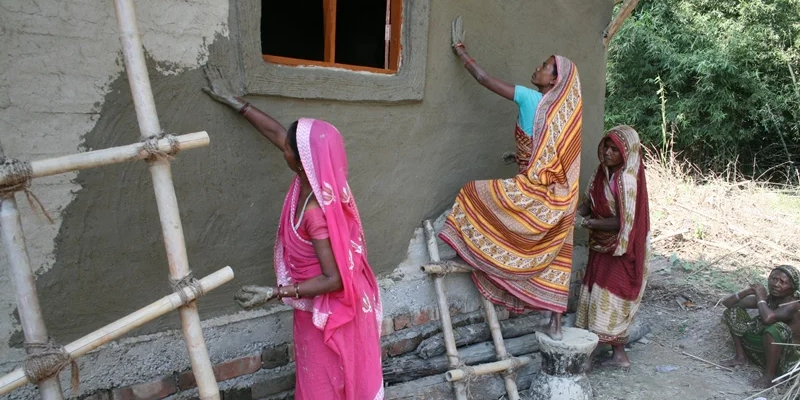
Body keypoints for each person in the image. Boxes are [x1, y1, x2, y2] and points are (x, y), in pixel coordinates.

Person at [201, 66, 384, 400]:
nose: (281, 147)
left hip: (329, 310)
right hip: (312, 306)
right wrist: (236, 103)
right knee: (317, 376)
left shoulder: (315, 212)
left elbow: (335, 279)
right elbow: (275, 133)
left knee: (326, 383)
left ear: (301, 161)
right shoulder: (310, 177)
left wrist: (274, 293)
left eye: (288, 148)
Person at [438, 17, 583, 340]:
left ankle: (474, 249)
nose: (537, 68)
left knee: (471, 192)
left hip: (531, 191)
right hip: (561, 198)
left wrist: (461, 52)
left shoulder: (531, 99)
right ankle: (555, 323)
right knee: (557, 252)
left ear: (554, 80)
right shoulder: (562, 116)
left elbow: (484, 78)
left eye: (544, 67)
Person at [574, 126, 651, 369]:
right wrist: (573, 215)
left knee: (609, 298)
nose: (607, 152)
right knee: (596, 296)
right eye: (605, 146)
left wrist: (585, 222)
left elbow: (623, 222)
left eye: (614, 149)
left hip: (620, 249)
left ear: (627, 153)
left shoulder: (627, 179)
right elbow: (588, 202)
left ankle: (591, 354)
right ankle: (618, 356)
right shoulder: (601, 173)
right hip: (600, 246)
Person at [720, 265, 800, 388]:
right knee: (733, 311)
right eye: (773, 279)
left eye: (782, 282)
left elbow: (769, 319)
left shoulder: (793, 305)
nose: (776, 284)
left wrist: (760, 299)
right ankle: (741, 357)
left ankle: (769, 376)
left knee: (776, 329)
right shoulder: (770, 299)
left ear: (792, 288)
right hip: (762, 350)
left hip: (784, 359)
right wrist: (746, 292)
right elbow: (727, 304)